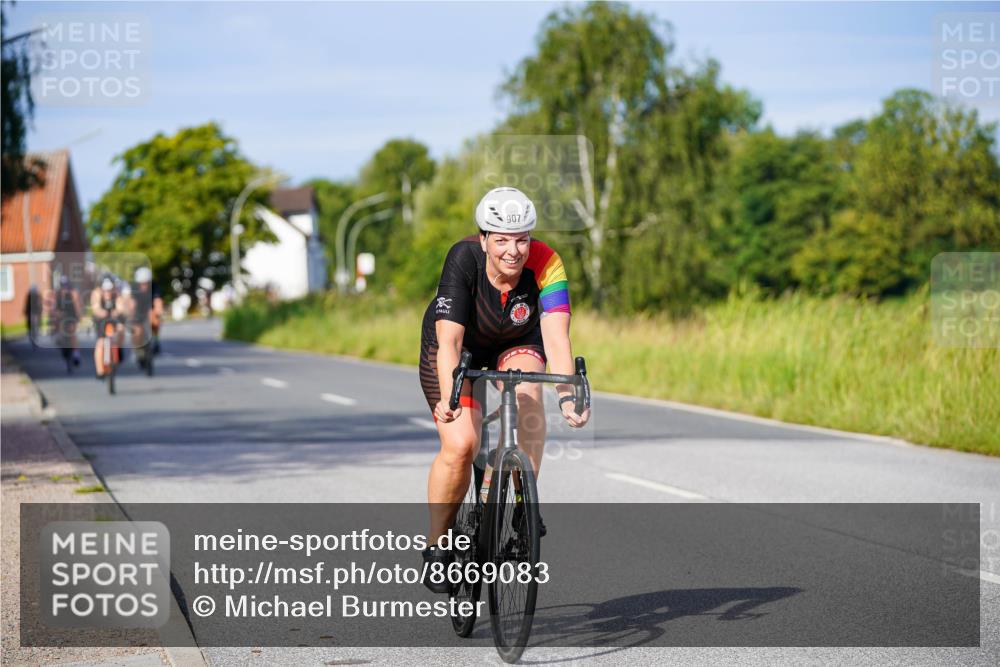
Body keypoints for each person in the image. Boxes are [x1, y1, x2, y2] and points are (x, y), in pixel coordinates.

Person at [418, 186, 590, 593]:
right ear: (483, 239)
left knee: (530, 398)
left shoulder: (548, 264)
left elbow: (557, 339)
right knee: (461, 444)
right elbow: (450, 345)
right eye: (501, 240)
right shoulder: (463, 259)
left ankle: (520, 506)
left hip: (517, 340)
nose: (513, 251)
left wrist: (567, 394)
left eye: (522, 239)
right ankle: (438, 545)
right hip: (462, 345)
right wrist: (448, 397)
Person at [90, 277, 125, 379]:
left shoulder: (117, 294)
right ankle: (100, 371)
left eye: (110, 290)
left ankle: (119, 349)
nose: (108, 293)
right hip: (101, 320)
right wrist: (103, 313)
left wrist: (117, 312)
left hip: (114, 318)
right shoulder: (96, 294)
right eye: (105, 290)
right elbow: (96, 309)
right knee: (100, 343)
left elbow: (120, 307)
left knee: (121, 330)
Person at [131, 267, 164, 358]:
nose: (144, 286)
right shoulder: (133, 289)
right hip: (138, 311)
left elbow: (158, 301)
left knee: (155, 320)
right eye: (142, 283)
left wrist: (158, 312)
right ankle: (138, 349)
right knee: (136, 330)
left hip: (150, 310)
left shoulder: (155, 287)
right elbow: (131, 304)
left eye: (146, 283)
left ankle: (155, 339)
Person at [51, 275, 82, 366]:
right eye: (62, 286)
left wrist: (79, 315)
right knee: (58, 329)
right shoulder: (56, 294)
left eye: (65, 286)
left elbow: (77, 305)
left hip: (71, 315)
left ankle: (76, 354)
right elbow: (53, 308)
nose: (64, 288)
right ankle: (58, 338)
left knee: (72, 333)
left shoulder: (73, 293)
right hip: (61, 316)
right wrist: (56, 314)